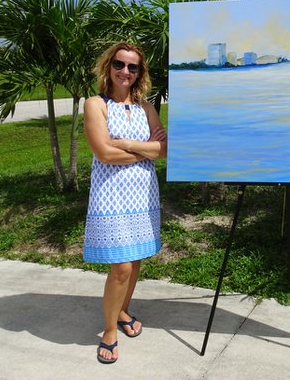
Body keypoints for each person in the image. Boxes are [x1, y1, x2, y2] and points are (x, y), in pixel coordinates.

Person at [83, 41, 167, 364]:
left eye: (133, 67)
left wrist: (128, 144)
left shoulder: (147, 109)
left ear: (139, 73)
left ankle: (122, 311)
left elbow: (164, 150)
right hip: (111, 197)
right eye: (119, 64)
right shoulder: (96, 105)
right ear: (109, 67)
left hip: (142, 197)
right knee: (121, 265)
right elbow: (103, 152)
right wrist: (145, 148)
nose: (125, 72)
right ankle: (109, 330)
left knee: (135, 260)